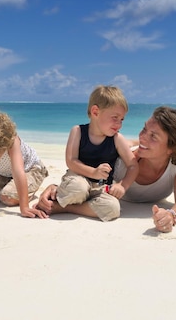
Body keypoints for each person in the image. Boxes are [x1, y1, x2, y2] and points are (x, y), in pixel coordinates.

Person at [38, 106, 176, 232]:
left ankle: (67, 208)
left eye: (153, 136)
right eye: (144, 129)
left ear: (172, 148)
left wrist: (171, 216)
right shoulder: (121, 160)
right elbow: (86, 174)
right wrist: (57, 188)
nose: (143, 137)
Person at [38, 85, 139, 222]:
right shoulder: (78, 131)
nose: (119, 124)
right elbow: (71, 161)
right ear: (95, 112)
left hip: (102, 188)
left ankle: (65, 207)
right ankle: (55, 189)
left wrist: (122, 185)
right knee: (77, 188)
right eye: (115, 117)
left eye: (122, 119)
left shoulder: (117, 139)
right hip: (78, 179)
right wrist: (93, 172)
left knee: (112, 208)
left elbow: (133, 166)